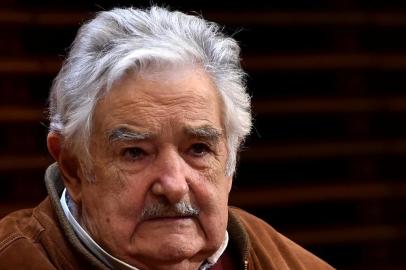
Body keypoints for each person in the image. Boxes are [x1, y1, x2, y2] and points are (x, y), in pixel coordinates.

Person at [0, 6, 334, 270]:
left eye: (199, 149)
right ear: (73, 168)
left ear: (230, 163)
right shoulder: (16, 257)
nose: (174, 186)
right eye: (135, 152)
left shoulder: (278, 258)